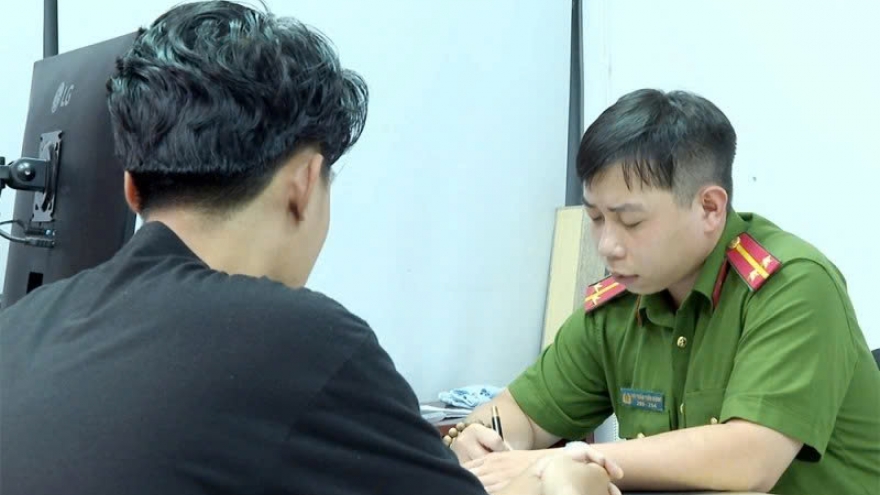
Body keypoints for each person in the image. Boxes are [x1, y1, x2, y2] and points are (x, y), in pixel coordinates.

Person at [0, 2, 621, 494]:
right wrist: (572, 485)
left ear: (132, 188)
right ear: (303, 185)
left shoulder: (21, 328)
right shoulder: (300, 341)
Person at [451, 89, 880, 495]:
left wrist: (570, 460)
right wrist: (480, 436)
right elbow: (523, 413)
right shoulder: (620, 305)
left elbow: (753, 458)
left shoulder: (793, 286)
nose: (607, 246)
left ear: (709, 208)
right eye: (596, 218)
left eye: (631, 222)